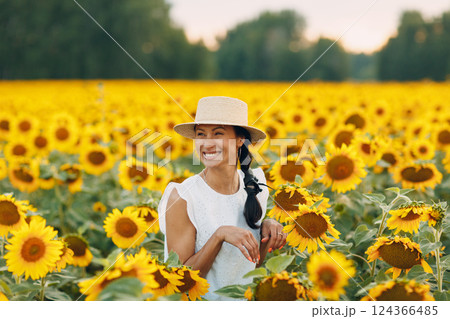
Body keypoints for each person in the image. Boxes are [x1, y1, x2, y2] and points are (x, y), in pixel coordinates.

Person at [157, 96, 287, 301]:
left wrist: (266, 231)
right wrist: (218, 236)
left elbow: (252, 264)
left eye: (218, 133)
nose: (207, 143)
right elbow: (179, 282)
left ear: (240, 141)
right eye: (201, 134)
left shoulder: (256, 186)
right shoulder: (183, 197)